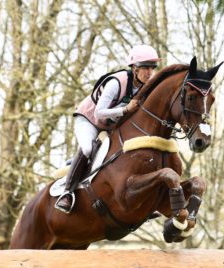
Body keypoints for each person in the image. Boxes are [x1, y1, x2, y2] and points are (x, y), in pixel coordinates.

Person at [54, 44, 160, 214]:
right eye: (145, 67)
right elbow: (99, 112)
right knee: (88, 148)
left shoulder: (146, 87)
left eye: (152, 68)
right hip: (89, 120)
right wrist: (125, 109)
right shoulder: (117, 82)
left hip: (110, 126)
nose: (149, 72)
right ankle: (67, 193)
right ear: (134, 68)